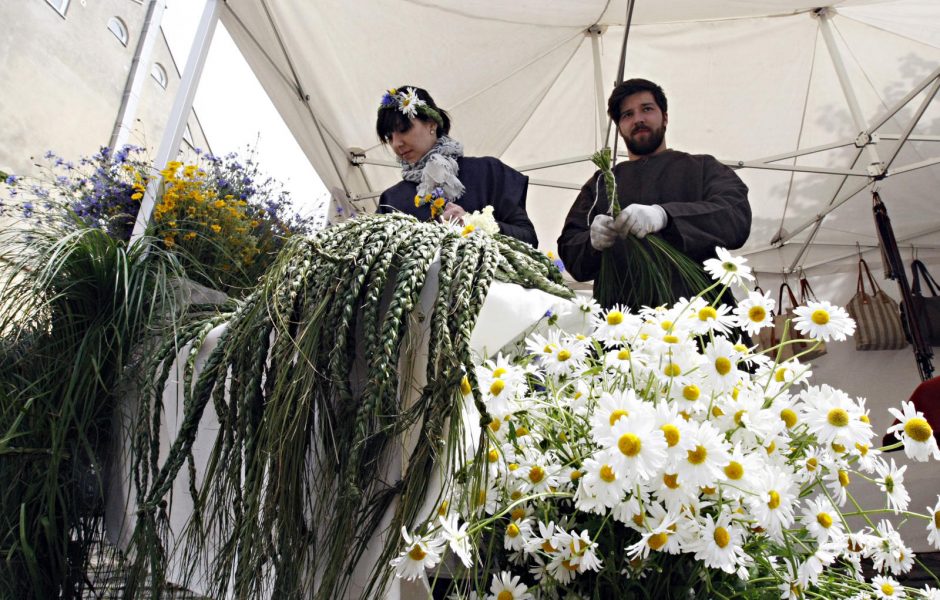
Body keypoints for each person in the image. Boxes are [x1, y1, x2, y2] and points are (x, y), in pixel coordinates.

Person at [557, 78, 751, 307]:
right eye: (627, 115)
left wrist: (665, 216)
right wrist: (591, 242)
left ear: (665, 117)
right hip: (621, 324)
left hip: (701, 317)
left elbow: (736, 215)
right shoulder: (600, 185)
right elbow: (571, 253)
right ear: (620, 128)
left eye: (646, 109)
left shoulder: (702, 168)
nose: (638, 119)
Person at [375, 86, 538, 246]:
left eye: (403, 129)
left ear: (432, 124)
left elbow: (528, 239)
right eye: (389, 137)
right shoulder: (391, 201)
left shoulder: (488, 172)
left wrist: (474, 225)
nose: (397, 143)